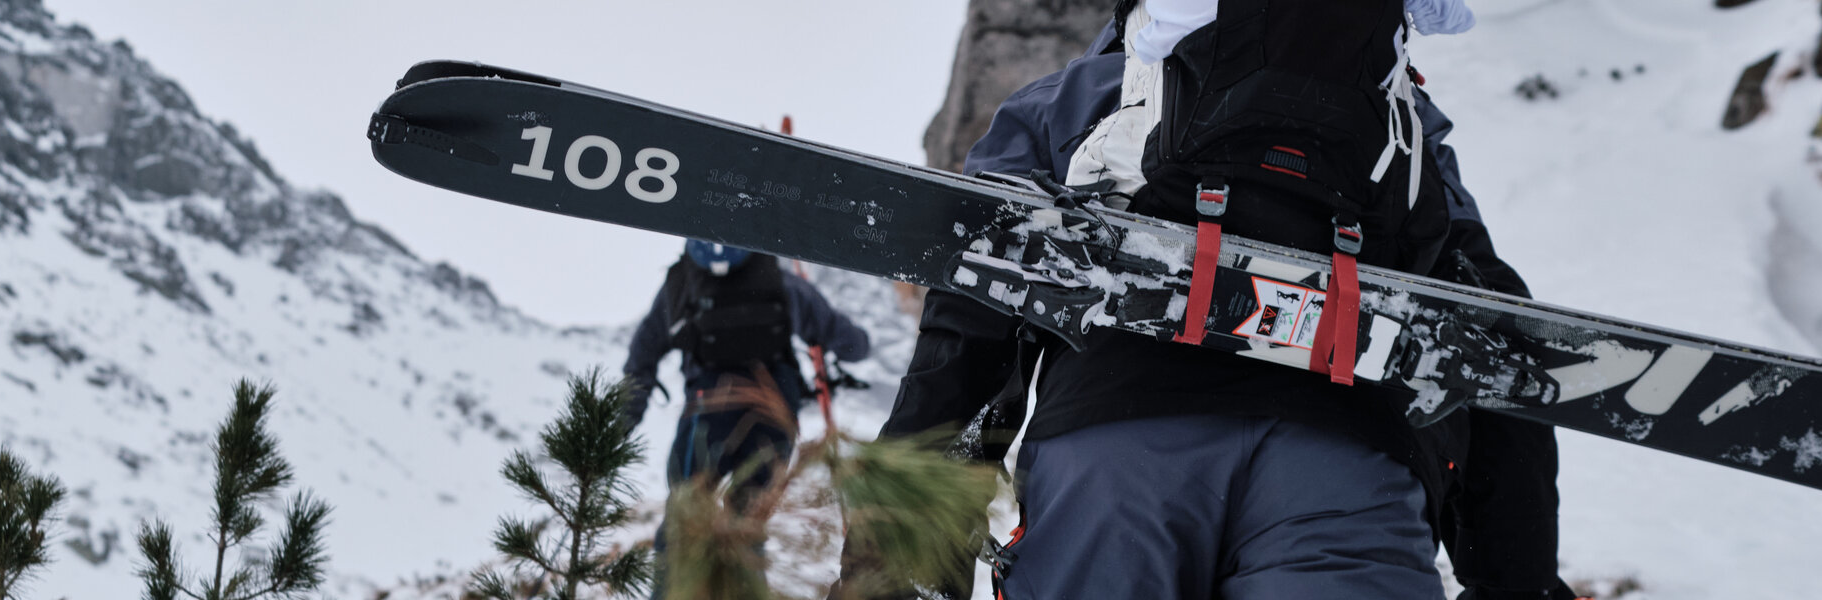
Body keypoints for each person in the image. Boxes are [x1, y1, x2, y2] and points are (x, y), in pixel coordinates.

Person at [853, 2, 1580, 599]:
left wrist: (897, 565)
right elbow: (1491, 339)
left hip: (1117, 458)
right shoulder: (1405, 131)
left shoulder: (1076, 98)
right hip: (1348, 463)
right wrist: (1518, 585)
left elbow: (976, 313)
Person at [623, 239, 872, 597]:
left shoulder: (680, 283)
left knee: (683, 521)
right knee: (747, 526)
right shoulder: (781, 281)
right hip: (772, 419)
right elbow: (854, 345)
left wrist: (628, 414)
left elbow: (642, 355)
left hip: (706, 416)